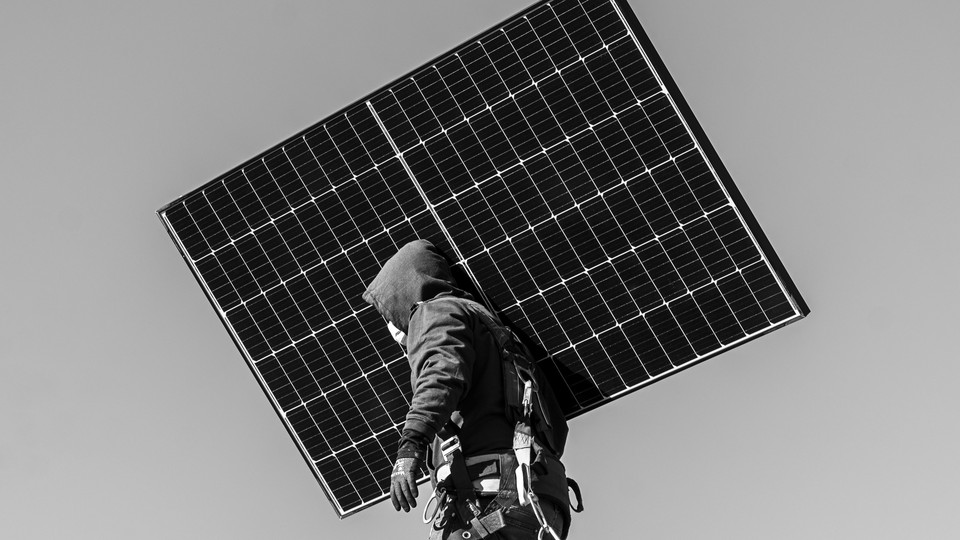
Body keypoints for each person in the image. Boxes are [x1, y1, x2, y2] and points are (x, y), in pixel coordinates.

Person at [363, 239, 576, 539]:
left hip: (488, 504)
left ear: (405, 294)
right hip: (539, 505)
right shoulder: (494, 330)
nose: (390, 324)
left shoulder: (435, 311)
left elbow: (442, 374)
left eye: (388, 312)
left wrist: (411, 444)